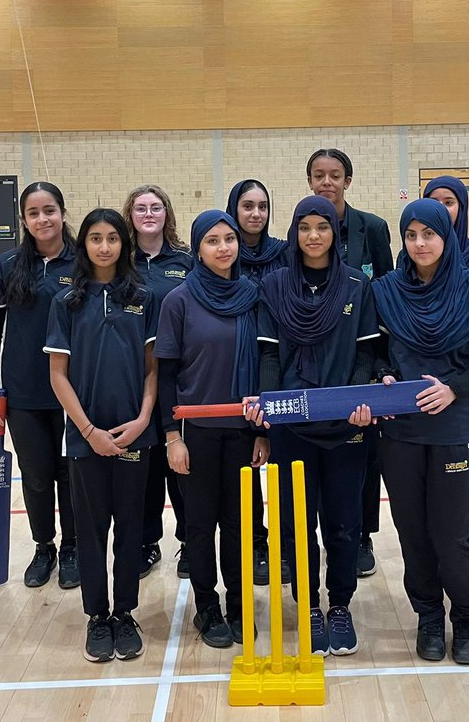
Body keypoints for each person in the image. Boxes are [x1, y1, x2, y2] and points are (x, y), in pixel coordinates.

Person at [247, 195, 380, 657]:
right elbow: (267, 355)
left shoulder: (356, 288)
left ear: (334, 233)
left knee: (344, 524)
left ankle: (339, 605)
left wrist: (357, 402)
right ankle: (309, 608)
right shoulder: (275, 285)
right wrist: (267, 414)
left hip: (347, 430)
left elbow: (365, 355)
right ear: (294, 232)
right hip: (292, 429)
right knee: (296, 526)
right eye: (304, 227)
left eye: (322, 227)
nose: (314, 236)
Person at [371, 198, 469, 667]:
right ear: (403, 240)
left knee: (451, 535)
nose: (421, 243)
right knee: (413, 532)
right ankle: (428, 615)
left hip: (453, 426)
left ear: (446, 238)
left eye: (430, 234)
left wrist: (452, 390)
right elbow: (377, 352)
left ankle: (465, 616)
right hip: (401, 431)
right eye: (412, 235)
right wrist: (383, 375)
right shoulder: (384, 291)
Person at [45, 208, 159, 664]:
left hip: (135, 435)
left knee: (132, 528)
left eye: (113, 237)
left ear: (124, 244)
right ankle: (97, 616)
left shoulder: (144, 297)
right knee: (90, 532)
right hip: (85, 440)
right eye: (95, 238)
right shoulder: (67, 302)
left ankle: (125, 612)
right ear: (84, 245)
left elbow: (153, 369)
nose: (105, 246)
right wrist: (88, 431)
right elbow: (57, 375)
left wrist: (142, 419)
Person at [156, 210, 269, 649]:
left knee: (241, 524)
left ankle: (240, 604)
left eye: (230, 239)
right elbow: (166, 376)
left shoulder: (253, 296)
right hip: (197, 433)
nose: (224, 248)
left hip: (243, 431)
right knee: (201, 526)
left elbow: (264, 365)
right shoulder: (179, 301)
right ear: (198, 250)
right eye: (213, 241)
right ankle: (207, 606)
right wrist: (172, 437)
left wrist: (264, 432)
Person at [0, 181, 79, 590]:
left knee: (73, 473)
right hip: (23, 393)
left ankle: (73, 546)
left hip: (74, 391)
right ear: (24, 219)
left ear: (62, 212)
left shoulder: (83, 262)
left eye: (50, 210)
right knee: (36, 475)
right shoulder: (6, 267)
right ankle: (45, 547)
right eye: (34, 212)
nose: (43, 219)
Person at [305, 148, 393, 578]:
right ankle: (310, 538)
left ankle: (361, 537)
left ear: (348, 180)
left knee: (363, 451)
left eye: (335, 175)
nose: (327, 182)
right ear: (309, 182)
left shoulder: (372, 228)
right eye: (319, 175)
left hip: (364, 348)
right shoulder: (307, 228)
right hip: (317, 353)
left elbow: (388, 286)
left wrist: (380, 364)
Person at [124, 185, 193, 580]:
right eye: (140, 208)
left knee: (179, 464)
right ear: (130, 214)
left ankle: (187, 541)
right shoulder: (120, 261)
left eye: (155, 207)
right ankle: (148, 542)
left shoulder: (185, 259)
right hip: (133, 379)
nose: (148, 213)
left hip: (176, 378)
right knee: (144, 469)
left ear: (167, 213)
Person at [224, 179, 288, 586]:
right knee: (243, 467)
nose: (255, 214)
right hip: (234, 367)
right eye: (247, 205)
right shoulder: (223, 253)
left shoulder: (284, 254)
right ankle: (254, 542)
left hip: (277, 365)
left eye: (262, 206)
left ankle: (283, 543)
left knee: (281, 464)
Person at [422, 175, 469, 288]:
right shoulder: (413, 255)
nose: (441, 208)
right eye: (434, 202)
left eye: (449, 203)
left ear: (461, 208)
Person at [225, 179, 288, 284]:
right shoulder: (224, 255)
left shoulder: (282, 252)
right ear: (234, 209)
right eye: (248, 207)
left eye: (262, 207)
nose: (256, 214)